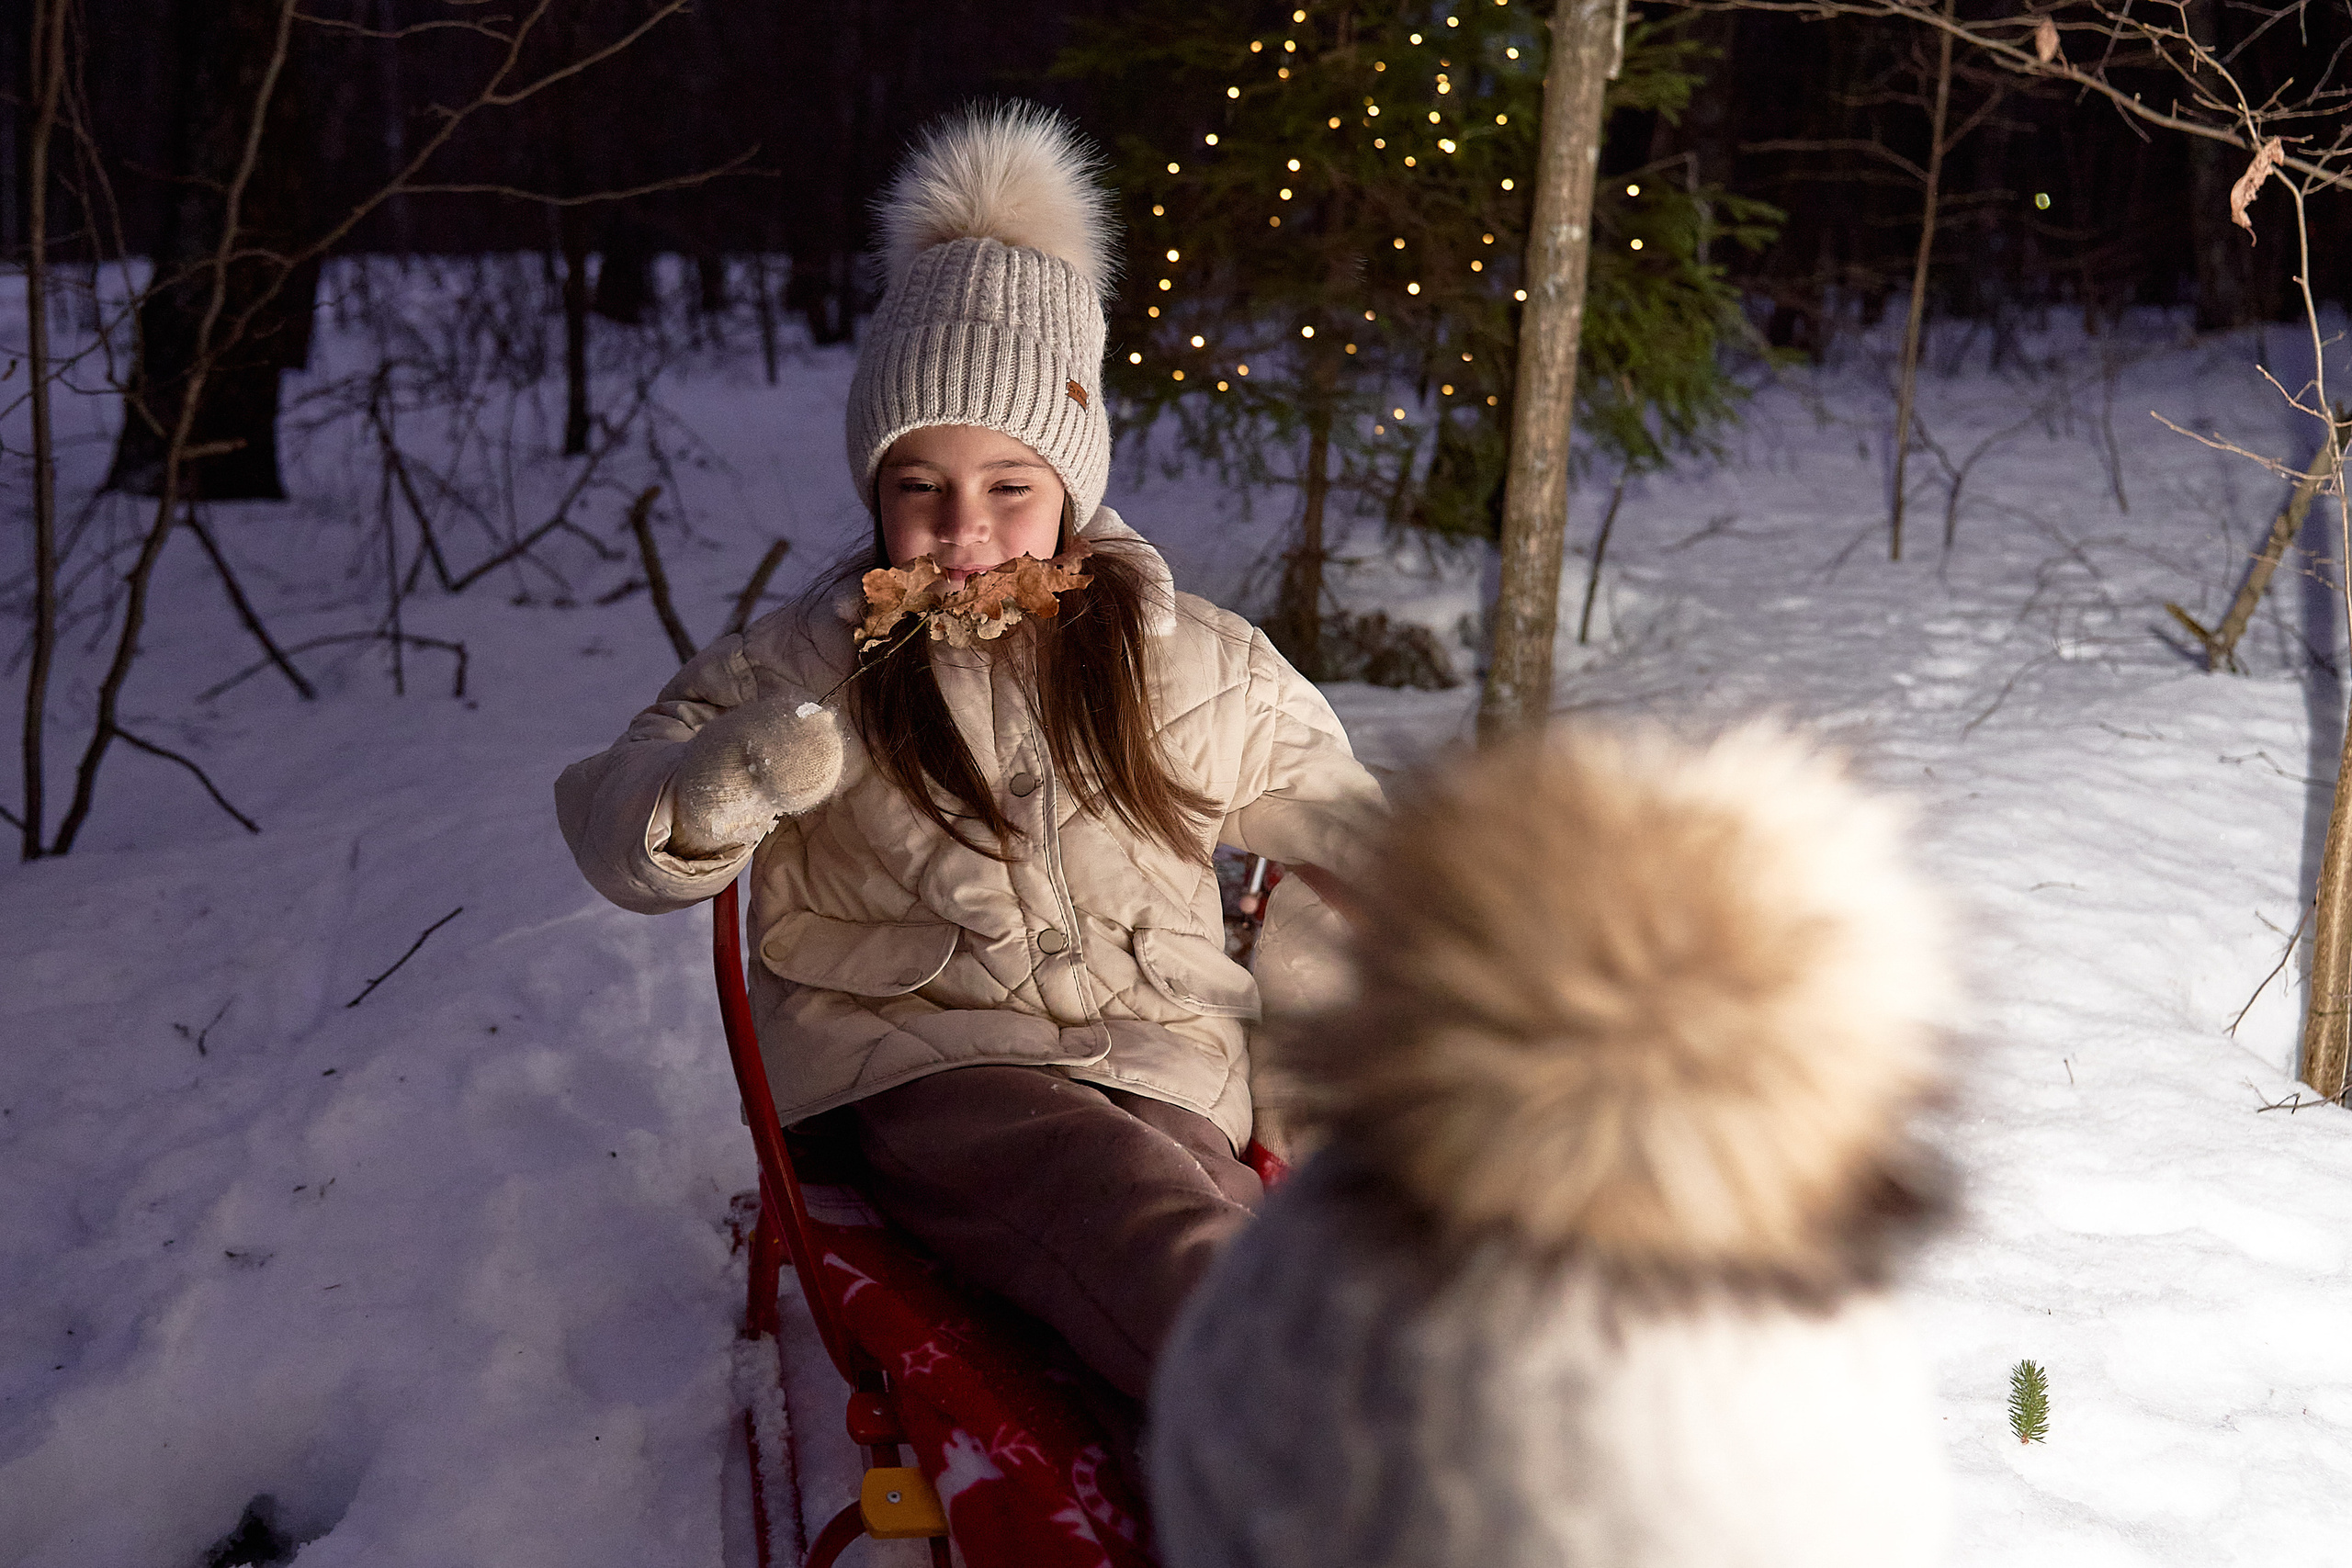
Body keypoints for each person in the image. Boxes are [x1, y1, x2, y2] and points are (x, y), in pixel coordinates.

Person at [553, 103, 1380, 1402]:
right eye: (917, 485)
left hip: (1163, 1054)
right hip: (930, 1060)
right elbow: (616, 810)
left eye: (1009, 485)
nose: (963, 529)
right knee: (1105, 1197)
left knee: (1192, 1191)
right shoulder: (812, 661)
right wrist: (712, 792)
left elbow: (1348, 824)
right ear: (876, 488)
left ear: (1073, 485)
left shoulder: (1187, 657)